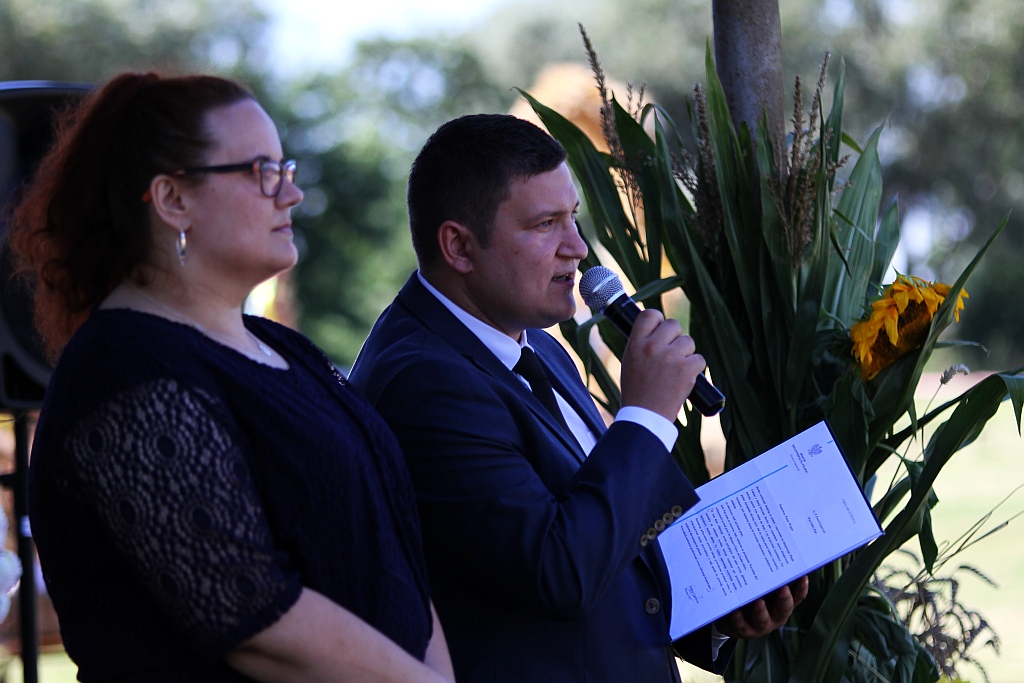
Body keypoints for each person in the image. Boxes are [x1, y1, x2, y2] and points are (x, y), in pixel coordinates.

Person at [10, 72, 454, 683]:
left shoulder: (285, 349)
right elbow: (256, 621)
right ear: (173, 200)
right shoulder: (124, 372)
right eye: (262, 172)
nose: (291, 194)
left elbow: (393, 551)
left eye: (286, 169)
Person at [349, 113, 808, 682]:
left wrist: (716, 608)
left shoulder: (540, 346)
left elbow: (606, 541)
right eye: (545, 225)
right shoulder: (422, 381)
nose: (579, 248)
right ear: (459, 247)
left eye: (574, 218)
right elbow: (558, 571)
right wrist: (644, 416)